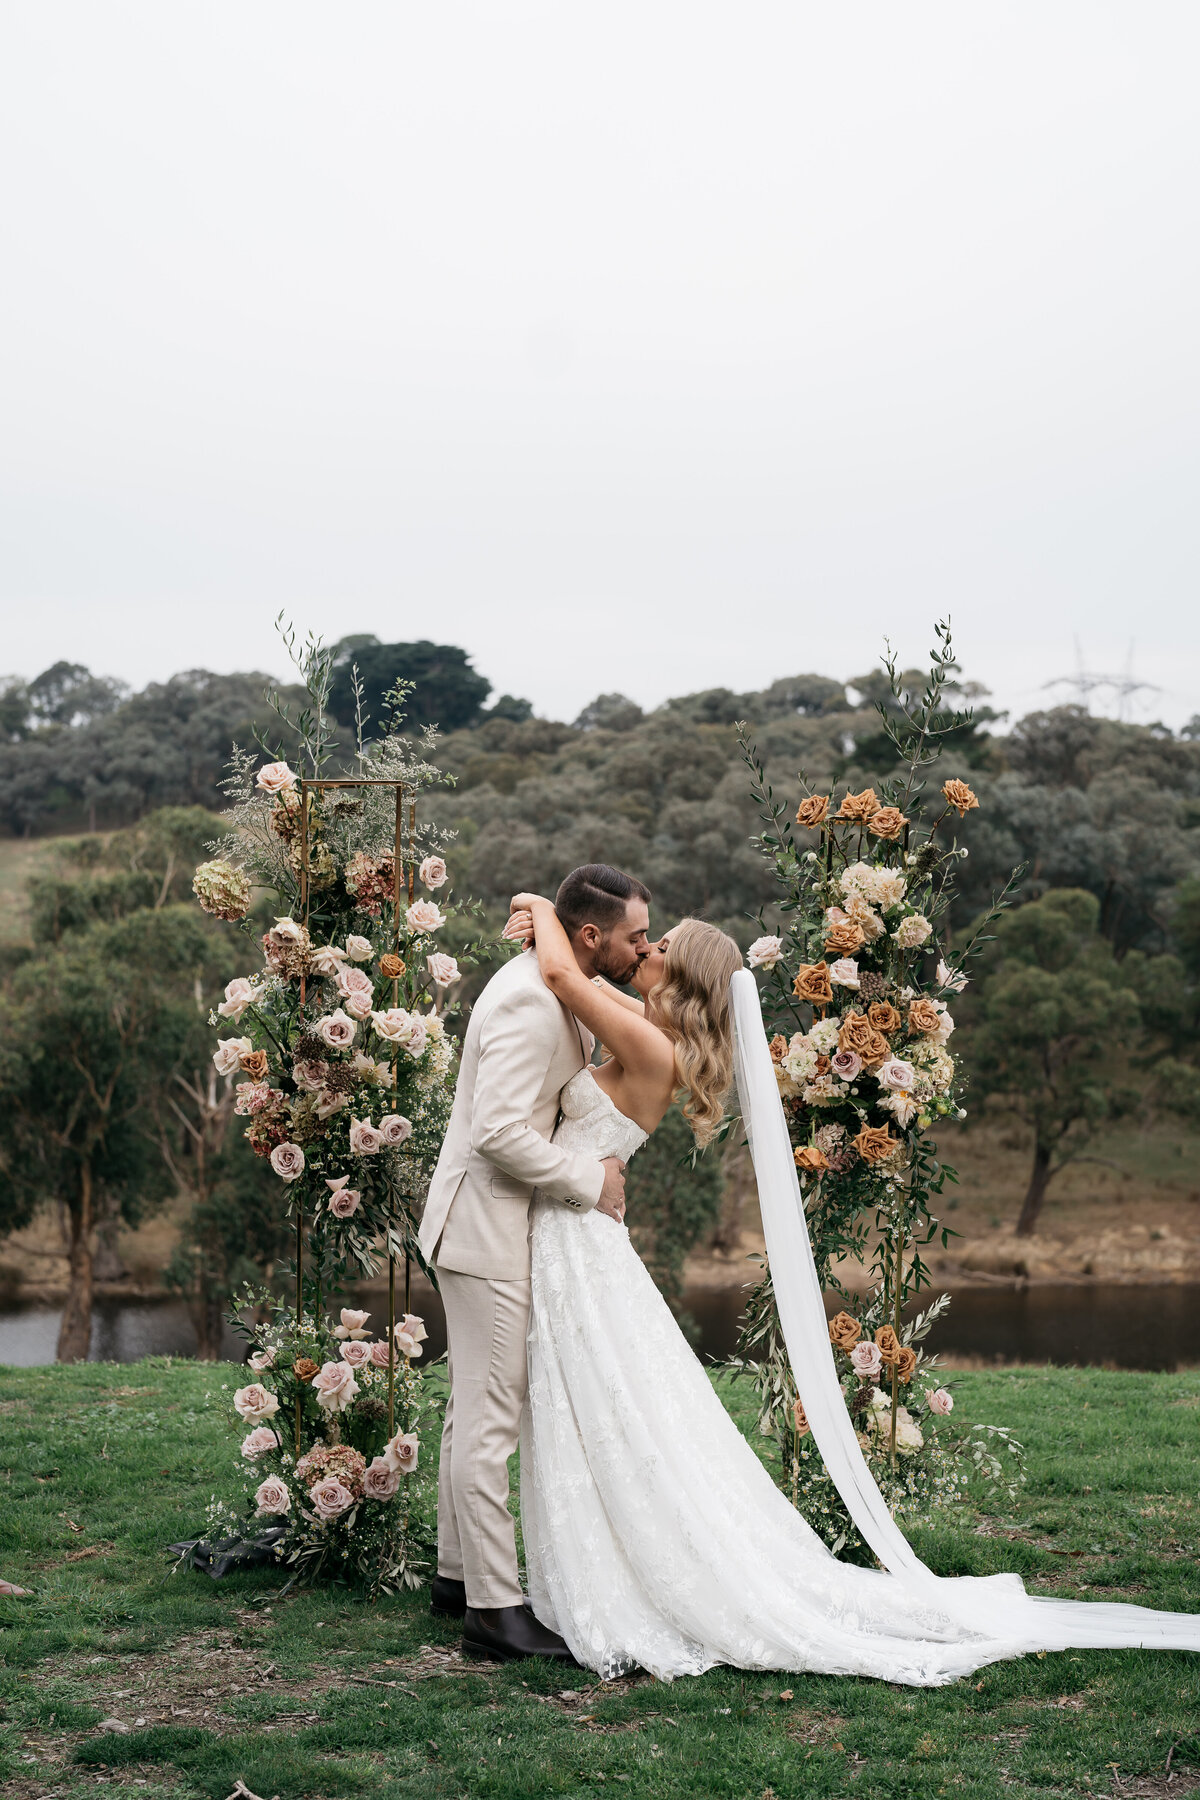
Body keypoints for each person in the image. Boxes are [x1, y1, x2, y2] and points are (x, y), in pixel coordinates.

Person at [501, 892, 1200, 1685]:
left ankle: (623, 1571)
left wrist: (535, 903)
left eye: (658, 946)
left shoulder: (650, 1047)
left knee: (605, 1408)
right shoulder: (648, 1031)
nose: (645, 950)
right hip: (579, 1237)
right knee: (607, 1410)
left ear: (683, 979)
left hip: (581, 1244)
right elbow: (579, 984)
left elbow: (561, 970)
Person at [417, 863, 652, 1664]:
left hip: (496, 1228)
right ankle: (493, 1610)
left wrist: (528, 903)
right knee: (490, 1422)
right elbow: (498, 1133)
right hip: (485, 1233)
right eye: (634, 937)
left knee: (471, 1411)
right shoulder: (526, 1000)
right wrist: (593, 1180)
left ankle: (456, 1574)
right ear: (591, 935)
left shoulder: (560, 978)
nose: (640, 949)